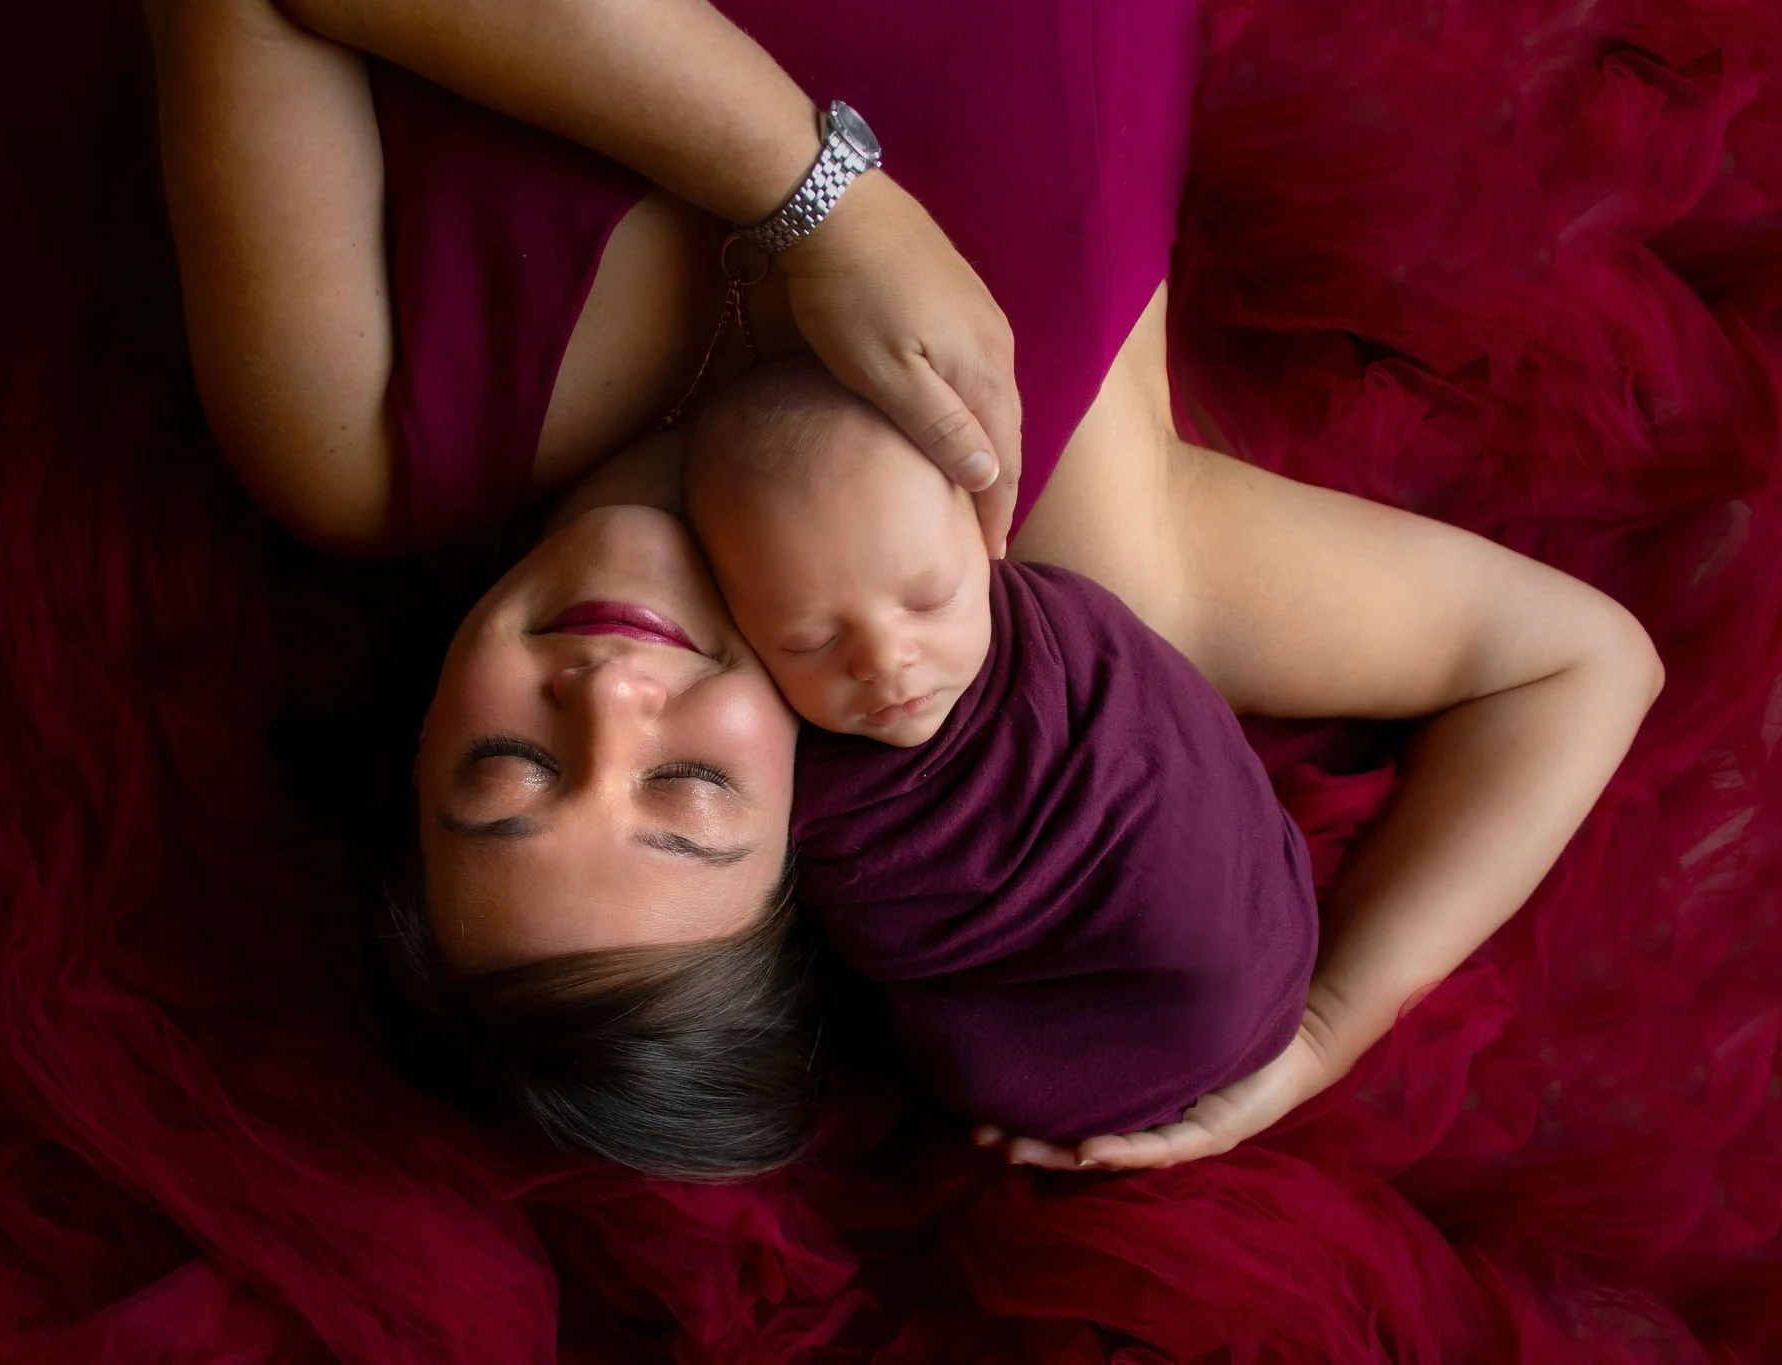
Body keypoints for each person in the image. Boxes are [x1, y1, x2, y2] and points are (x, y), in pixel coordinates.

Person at [141, 0, 1665, 1179]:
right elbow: (1575, 664)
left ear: (414, 748)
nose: (607, 700)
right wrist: (1325, 1027)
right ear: (805, 817)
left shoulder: (353, 428)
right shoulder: (1074, 550)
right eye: (682, 792)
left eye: (510, 768)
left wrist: (821, 197)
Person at [686, 356, 1318, 1147]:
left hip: (1261, 952)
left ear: (987, 530)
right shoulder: (789, 775)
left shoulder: (1069, 628)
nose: (885, 661)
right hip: (1057, 1031)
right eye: (807, 638)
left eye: (929, 598)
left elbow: (1185, 746)